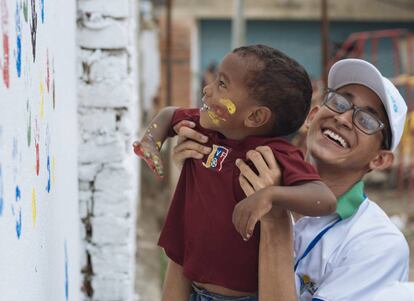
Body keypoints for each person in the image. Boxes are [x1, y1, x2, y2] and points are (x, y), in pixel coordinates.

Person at [173, 58, 410, 300]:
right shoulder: (244, 175)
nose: (343, 118)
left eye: (366, 120)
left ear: (380, 160)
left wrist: (275, 220)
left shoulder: (377, 243)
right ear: (313, 115)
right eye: (339, 102)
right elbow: (184, 262)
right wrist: (196, 179)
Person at [133, 45, 336, 300]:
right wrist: (152, 141)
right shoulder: (205, 128)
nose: (207, 89)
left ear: (255, 116)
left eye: (222, 84)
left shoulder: (275, 154)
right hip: (192, 290)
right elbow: (167, 115)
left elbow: (324, 199)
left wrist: (271, 195)